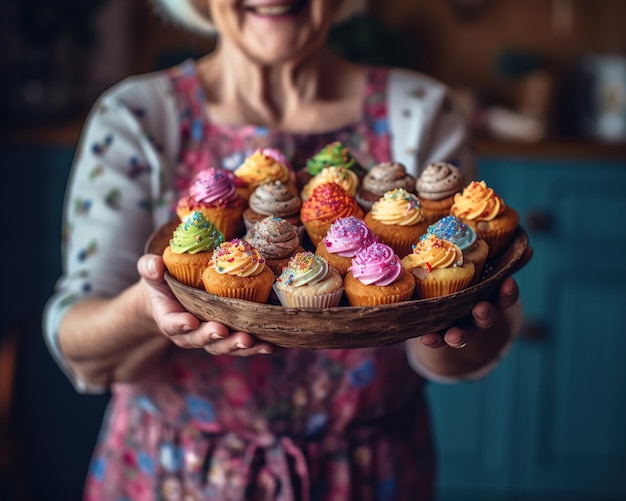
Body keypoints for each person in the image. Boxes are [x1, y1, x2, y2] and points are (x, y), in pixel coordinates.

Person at [43, 0, 531, 499]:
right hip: (173, 473)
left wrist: (458, 319)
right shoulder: (137, 118)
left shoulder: (422, 110)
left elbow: (465, 355)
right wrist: (152, 305)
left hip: (369, 472)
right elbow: (79, 345)